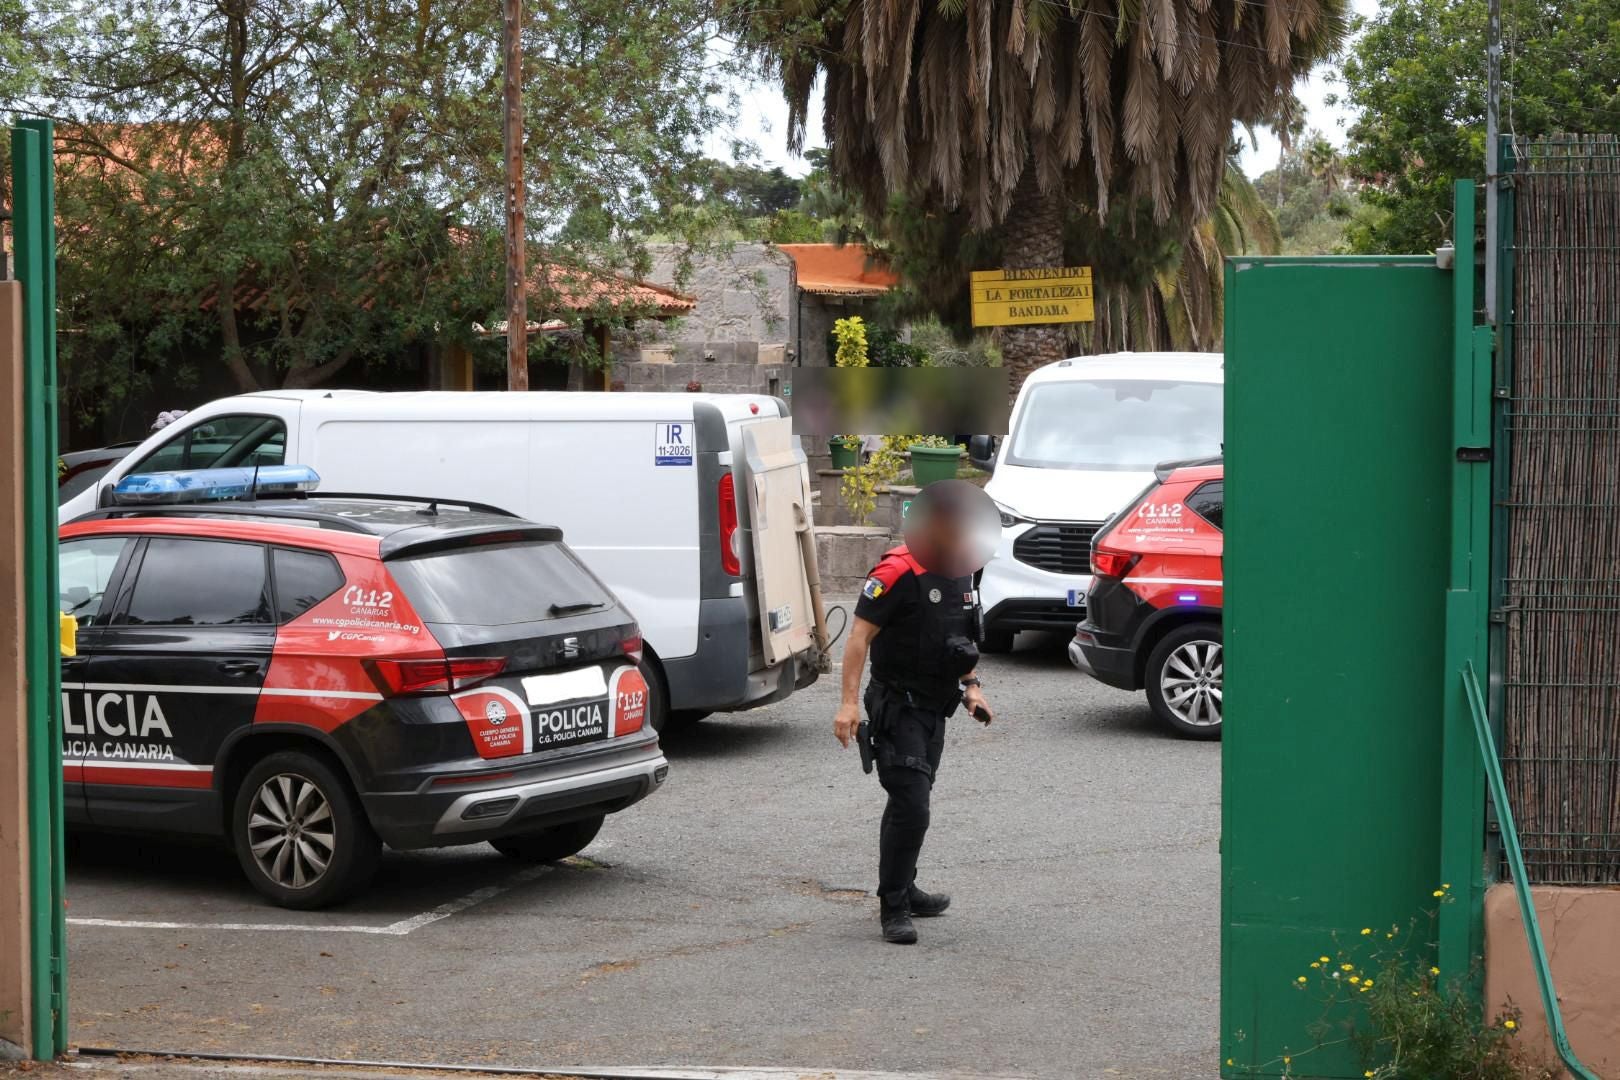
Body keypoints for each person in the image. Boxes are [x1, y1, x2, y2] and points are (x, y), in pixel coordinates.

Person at [834, 480, 998, 944]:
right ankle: (894, 908)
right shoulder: (897, 572)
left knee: (910, 801)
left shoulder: (963, 570)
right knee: (912, 805)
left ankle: (903, 885)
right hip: (896, 705)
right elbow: (858, 638)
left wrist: (972, 688)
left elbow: (962, 641)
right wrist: (847, 704)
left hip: (935, 707)